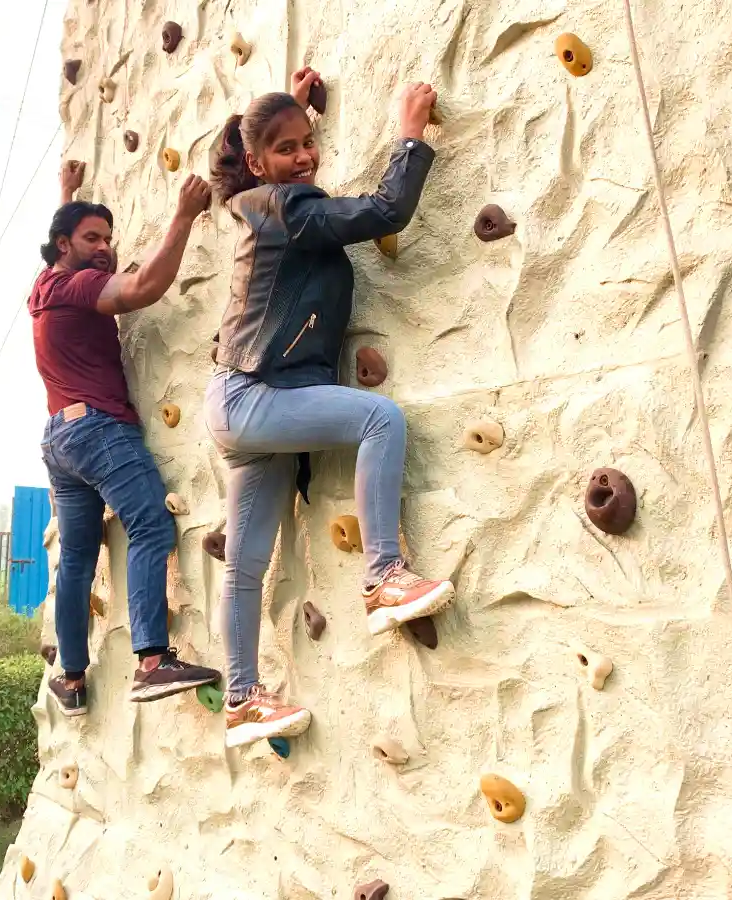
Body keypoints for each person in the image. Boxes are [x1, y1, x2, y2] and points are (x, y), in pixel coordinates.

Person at [204, 70, 454, 748]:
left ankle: (241, 701)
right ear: (258, 163)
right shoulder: (291, 209)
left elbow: (287, 171)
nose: (306, 156)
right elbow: (382, 213)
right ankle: (383, 577)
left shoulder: (271, 204)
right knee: (381, 418)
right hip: (257, 397)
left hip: (244, 406)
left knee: (247, 567)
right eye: (286, 149)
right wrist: (408, 134)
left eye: (308, 142)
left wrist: (286, 105)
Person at [31, 160, 221, 716]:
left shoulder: (44, 285)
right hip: (98, 430)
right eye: (92, 239)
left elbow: (68, 241)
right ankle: (153, 662)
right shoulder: (78, 285)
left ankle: (70, 677)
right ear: (63, 245)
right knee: (151, 523)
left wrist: (67, 192)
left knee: (76, 561)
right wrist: (184, 216)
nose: (104, 247)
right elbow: (142, 287)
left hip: (60, 439)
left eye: (109, 238)